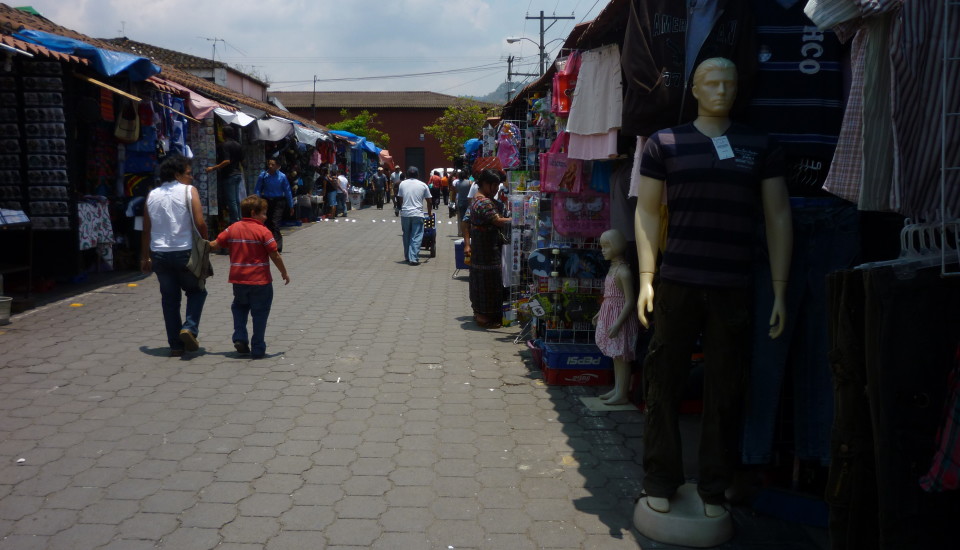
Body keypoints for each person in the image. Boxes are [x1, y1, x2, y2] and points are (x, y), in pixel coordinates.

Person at [633, 58, 792, 518]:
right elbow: (646, 212)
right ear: (696, 89)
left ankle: (713, 487)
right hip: (677, 280)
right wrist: (647, 277)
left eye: (730, 81)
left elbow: (778, 216)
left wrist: (780, 289)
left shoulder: (760, 145)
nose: (721, 88)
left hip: (733, 284)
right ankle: (660, 477)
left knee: (725, 389)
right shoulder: (665, 142)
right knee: (663, 380)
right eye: (711, 81)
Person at [140, 155, 208, 357]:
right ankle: (189, 328)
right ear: (177, 174)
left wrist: (145, 256)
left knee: (169, 300)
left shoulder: (152, 195)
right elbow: (200, 222)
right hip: (185, 251)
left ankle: (176, 345)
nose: (191, 177)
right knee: (197, 291)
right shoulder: (189, 191)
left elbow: (146, 228)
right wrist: (205, 244)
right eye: (188, 173)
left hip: (159, 253)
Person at [208, 195, 290, 359]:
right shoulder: (263, 231)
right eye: (263, 214)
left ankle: (240, 337)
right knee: (260, 313)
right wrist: (284, 272)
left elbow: (214, 245)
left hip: (238, 280)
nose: (265, 217)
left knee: (239, 307)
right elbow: (274, 254)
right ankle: (258, 348)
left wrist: (197, 243)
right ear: (253, 213)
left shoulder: (233, 228)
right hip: (261, 281)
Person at [593, 229, 640, 405]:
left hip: (620, 318)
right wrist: (600, 313)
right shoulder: (613, 269)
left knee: (622, 356)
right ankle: (618, 388)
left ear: (617, 246)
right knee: (615, 355)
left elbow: (630, 301)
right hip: (610, 316)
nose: (603, 250)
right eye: (602, 247)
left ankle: (622, 393)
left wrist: (618, 323)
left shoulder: (624, 272)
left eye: (606, 246)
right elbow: (609, 295)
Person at [466, 169, 511, 328]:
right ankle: (484, 316)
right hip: (487, 249)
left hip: (482, 247)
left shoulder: (478, 199)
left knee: (481, 280)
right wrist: (518, 219)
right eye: (495, 186)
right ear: (486, 184)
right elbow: (497, 221)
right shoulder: (483, 202)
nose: (497, 189)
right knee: (489, 282)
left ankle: (480, 313)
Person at [205, 126, 244, 224]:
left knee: (232, 200)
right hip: (237, 173)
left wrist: (213, 168)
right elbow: (242, 160)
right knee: (236, 199)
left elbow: (227, 161)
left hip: (229, 174)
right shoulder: (238, 145)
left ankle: (235, 221)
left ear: (223, 134)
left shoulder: (225, 145)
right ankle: (239, 218)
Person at [254, 158, 294, 253]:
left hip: (279, 202)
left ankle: (278, 247)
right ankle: (268, 244)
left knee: (275, 223)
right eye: (269, 164)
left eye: (273, 164)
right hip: (266, 201)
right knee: (266, 223)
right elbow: (258, 189)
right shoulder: (263, 175)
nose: (270, 166)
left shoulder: (282, 176)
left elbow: (287, 191)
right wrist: (257, 200)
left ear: (277, 166)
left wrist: (291, 205)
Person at [396, 166, 432, 265]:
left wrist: (403, 208)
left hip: (405, 214)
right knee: (416, 236)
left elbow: (400, 198)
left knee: (406, 235)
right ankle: (413, 258)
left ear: (407, 174)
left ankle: (407, 256)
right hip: (418, 213)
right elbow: (429, 201)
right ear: (418, 174)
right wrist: (429, 214)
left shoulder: (402, 184)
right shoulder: (423, 185)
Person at [454, 170, 473, 237]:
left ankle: (463, 233)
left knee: (462, 218)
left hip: (460, 202)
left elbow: (457, 191)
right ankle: (469, 232)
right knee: (469, 218)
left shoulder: (457, 183)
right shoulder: (469, 182)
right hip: (468, 202)